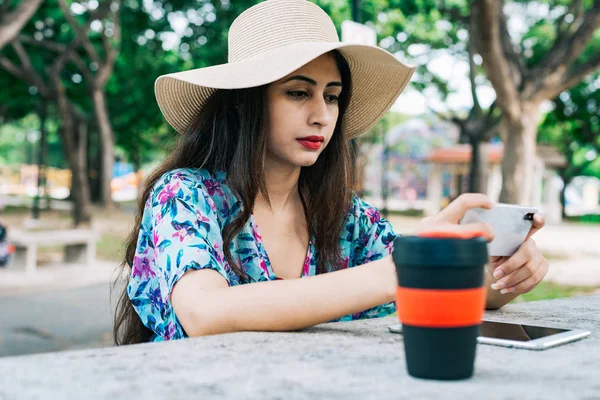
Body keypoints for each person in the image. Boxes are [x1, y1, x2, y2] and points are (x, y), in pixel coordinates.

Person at [113, 0, 548, 344]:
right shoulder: (185, 196)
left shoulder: (347, 217)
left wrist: (503, 272)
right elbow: (204, 313)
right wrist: (404, 267)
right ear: (245, 102)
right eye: (298, 93)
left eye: (333, 96)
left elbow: (444, 288)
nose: (322, 115)